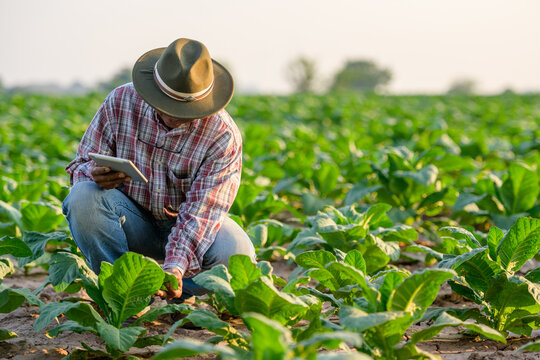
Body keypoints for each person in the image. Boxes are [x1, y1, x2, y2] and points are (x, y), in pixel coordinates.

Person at [62, 38, 256, 303]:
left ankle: (174, 292)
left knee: (236, 253)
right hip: (130, 220)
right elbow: (80, 166)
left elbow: (201, 214)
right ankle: (124, 295)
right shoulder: (120, 102)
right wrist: (93, 173)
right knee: (83, 197)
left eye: (184, 110)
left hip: (184, 224)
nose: (172, 116)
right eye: (165, 104)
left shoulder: (222, 136)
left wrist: (175, 267)